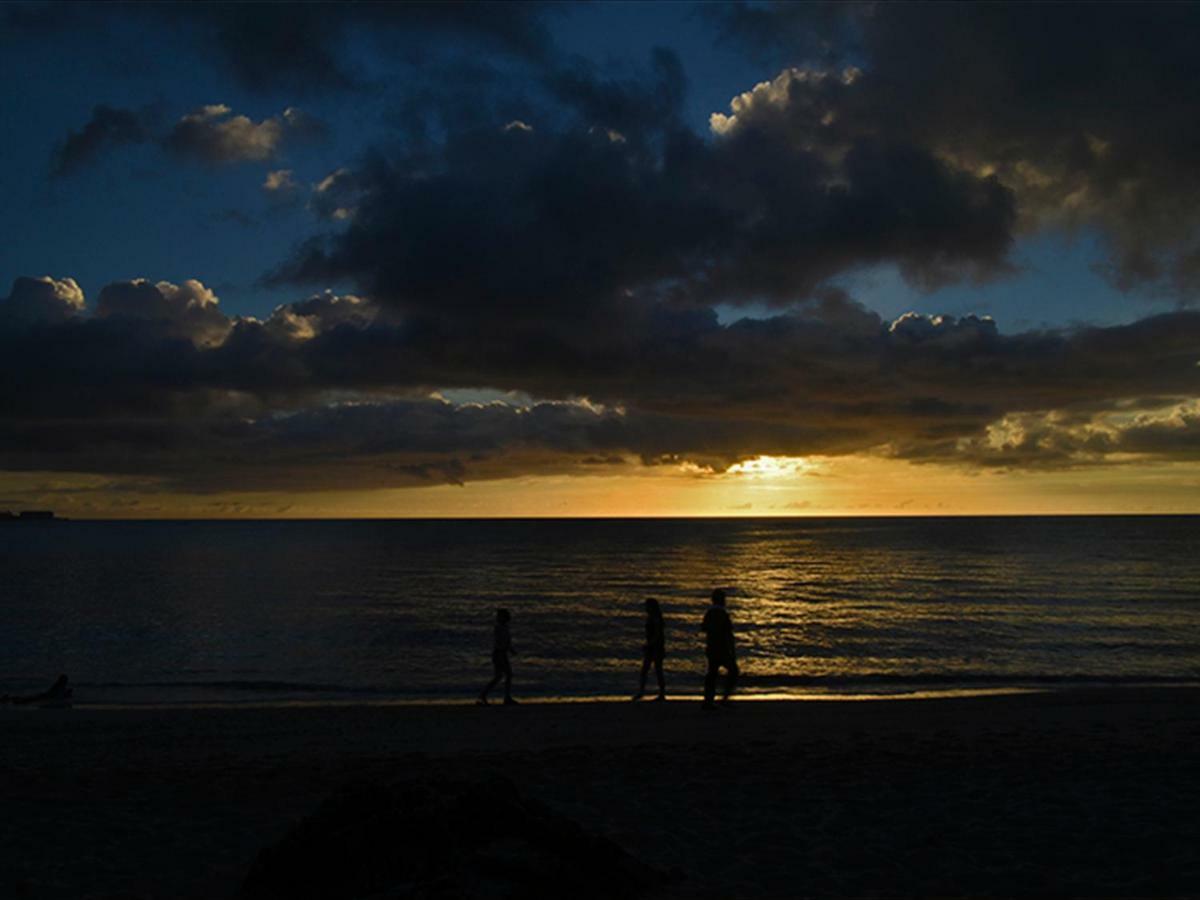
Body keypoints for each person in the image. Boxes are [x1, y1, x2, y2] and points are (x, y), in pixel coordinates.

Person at [701, 589, 737, 709]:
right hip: (722, 648)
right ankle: (723, 698)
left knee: (712, 673)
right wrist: (732, 649)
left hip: (712, 647)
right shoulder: (722, 614)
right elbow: (728, 633)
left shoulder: (710, 613)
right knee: (733, 671)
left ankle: (709, 700)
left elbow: (703, 628)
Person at [478, 608, 517, 706]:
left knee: (500, 676)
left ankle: (484, 695)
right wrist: (507, 650)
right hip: (499, 653)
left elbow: (506, 641)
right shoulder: (499, 628)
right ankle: (505, 697)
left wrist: (510, 649)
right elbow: (501, 642)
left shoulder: (504, 627)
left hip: (501, 653)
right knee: (506, 675)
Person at [632, 597, 666, 702]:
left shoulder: (655, 618)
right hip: (655, 646)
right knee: (652, 670)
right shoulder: (653, 617)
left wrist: (649, 644)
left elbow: (657, 633)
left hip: (655, 647)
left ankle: (657, 693)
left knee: (653, 670)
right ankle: (648, 692)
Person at [4, 674, 73, 707]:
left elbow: (57, 694)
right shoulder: (58, 686)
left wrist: (67, 693)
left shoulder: (58, 686)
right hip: (45, 696)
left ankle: (10, 699)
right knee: (30, 699)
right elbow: (55, 694)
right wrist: (66, 694)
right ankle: (12, 700)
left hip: (44, 695)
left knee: (29, 698)